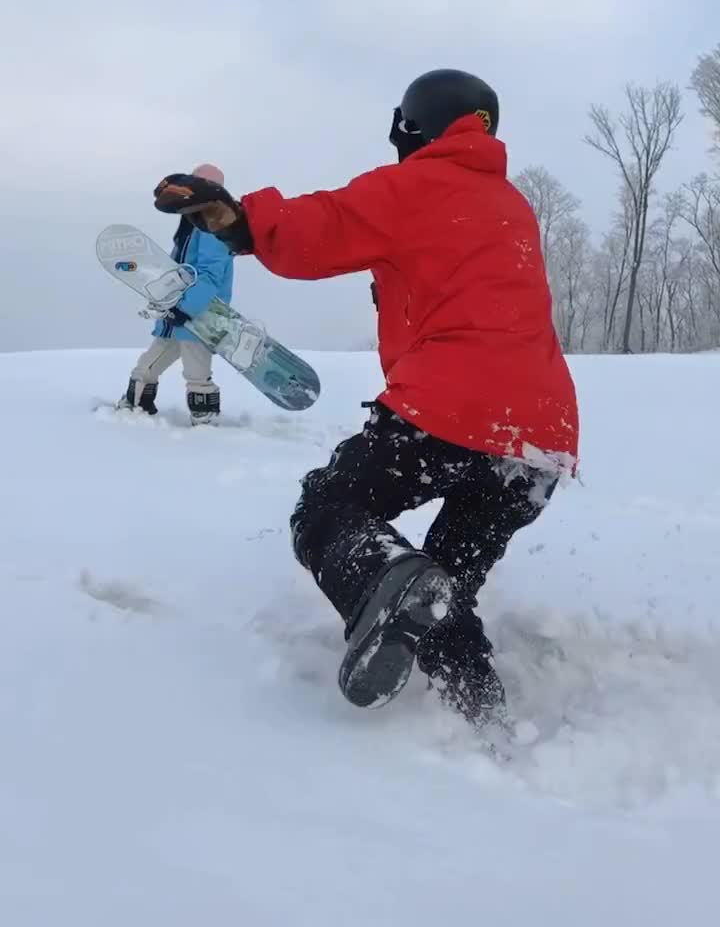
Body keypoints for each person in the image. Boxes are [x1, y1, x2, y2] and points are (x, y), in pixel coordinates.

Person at [152, 72, 579, 721]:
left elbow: (319, 226)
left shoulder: (416, 184)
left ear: (414, 126)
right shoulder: (512, 206)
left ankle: (386, 585)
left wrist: (238, 222)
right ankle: (482, 719)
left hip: (456, 409)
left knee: (327, 510)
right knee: (440, 590)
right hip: (541, 443)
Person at [119, 164, 234, 425]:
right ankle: (135, 406)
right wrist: (166, 299)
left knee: (196, 370)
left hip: (200, 315)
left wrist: (186, 308)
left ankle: (205, 420)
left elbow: (210, 275)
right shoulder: (192, 225)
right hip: (176, 312)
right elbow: (177, 269)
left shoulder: (214, 227)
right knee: (147, 366)